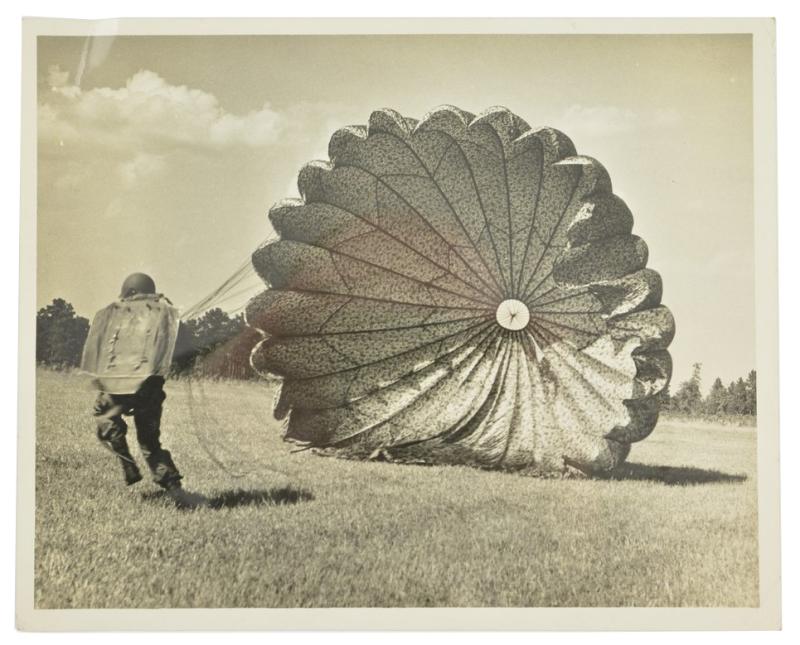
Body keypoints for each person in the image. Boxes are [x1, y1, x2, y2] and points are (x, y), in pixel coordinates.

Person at [85, 273, 185, 494]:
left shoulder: (116, 316)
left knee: (105, 415)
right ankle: (173, 486)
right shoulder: (162, 314)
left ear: (129, 291)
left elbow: (104, 352)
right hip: (149, 390)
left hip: (117, 386)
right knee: (149, 442)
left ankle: (126, 460)